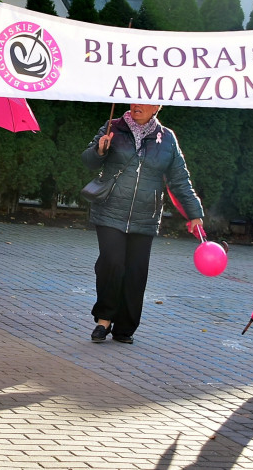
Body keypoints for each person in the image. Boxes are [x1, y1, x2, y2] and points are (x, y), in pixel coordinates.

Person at [81, 103, 203, 344]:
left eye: (143, 101)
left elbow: (180, 179)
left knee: (136, 272)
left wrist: (194, 213)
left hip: (145, 216)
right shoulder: (112, 127)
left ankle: (124, 327)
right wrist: (99, 151)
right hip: (110, 211)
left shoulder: (167, 138)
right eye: (133, 99)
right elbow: (88, 161)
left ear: (156, 106)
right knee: (112, 262)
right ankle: (104, 319)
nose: (136, 105)